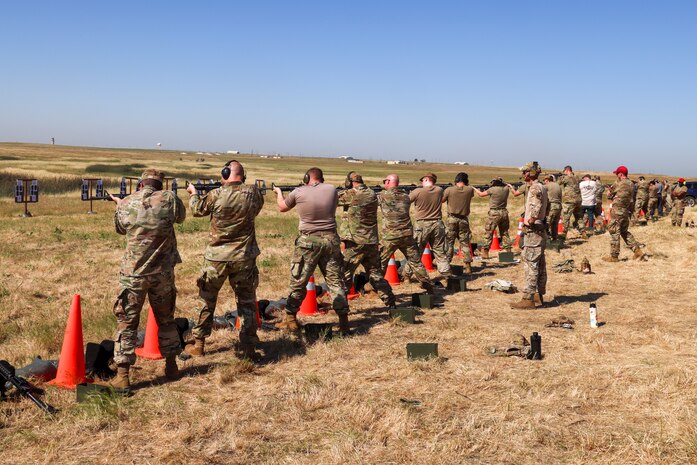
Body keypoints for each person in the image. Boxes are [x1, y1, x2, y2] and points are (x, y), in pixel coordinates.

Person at [108, 169, 186, 391]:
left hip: (134, 274)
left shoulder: (127, 203)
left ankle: (123, 375)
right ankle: (171, 365)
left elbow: (120, 229)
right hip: (162, 273)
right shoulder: (169, 199)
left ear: (140, 184)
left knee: (127, 322)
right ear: (160, 185)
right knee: (166, 319)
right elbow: (180, 217)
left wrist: (120, 204)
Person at [185, 160, 264, 359]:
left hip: (217, 259)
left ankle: (199, 344)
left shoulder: (216, 194)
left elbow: (197, 210)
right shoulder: (253, 192)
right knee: (246, 300)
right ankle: (248, 346)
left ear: (226, 172)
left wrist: (194, 193)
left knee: (206, 300)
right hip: (244, 257)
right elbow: (256, 207)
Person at [272, 167, 350, 334]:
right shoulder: (331, 190)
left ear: (307, 177)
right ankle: (344, 322)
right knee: (336, 282)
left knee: (299, 280)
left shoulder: (298, 192)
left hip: (308, 241)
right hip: (331, 240)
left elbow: (282, 207)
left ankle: (291, 319)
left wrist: (278, 192)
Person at [338, 172, 396, 308]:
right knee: (376, 275)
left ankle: (341, 309)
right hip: (371, 241)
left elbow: (332, 200)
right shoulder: (371, 193)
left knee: (344, 275)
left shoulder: (352, 194)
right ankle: (391, 303)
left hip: (355, 242)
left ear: (351, 182)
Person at [377, 174, 434, 293]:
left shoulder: (383, 196)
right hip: (407, 234)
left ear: (388, 182)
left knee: (381, 263)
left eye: (385, 181)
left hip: (390, 235)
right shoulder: (406, 196)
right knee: (416, 262)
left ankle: (376, 287)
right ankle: (427, 284)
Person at [511, 162, 549, 309]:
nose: (523, 174)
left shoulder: (534, 188)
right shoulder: (542, 187)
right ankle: (539, 295)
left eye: (525, 172)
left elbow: (536, 205)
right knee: (540, 265)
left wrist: (531, 220)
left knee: (530, 264)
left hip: (533, 230)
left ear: (531, 173)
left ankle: (528, 298)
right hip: (540, 228)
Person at [403, 173, 452, 278]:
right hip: (437, 224)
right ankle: (447, 274)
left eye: (422, 180)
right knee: (439, 251)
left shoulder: (417, 191)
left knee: (416, 251)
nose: (421, 182)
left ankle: (407, 275)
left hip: (422, 224)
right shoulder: (439, 190)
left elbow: (406, 201)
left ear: (426, 179)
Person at [602, 166, 645, 262]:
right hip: (625, 210)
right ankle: (637, 251)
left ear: (621, 174)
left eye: (617, 174)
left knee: (614, 231)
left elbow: (610, 195)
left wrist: (609, 191)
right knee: (624, 231)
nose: (616, 176)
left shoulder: (619, 183)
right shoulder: (631, 184)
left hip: (617, 210)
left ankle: (614, 256)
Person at [442, 172, 475, 273]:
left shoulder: (449, 190)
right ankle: (468, 265)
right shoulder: (470, 189)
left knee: (449, 242)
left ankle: (447, 263)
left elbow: (442, 200)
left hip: (451, 219)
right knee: (464, 243)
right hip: (464, 219)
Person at [473, 177, 513, 258]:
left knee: (489, 232)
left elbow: (481, 194)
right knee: (504, 233)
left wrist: (475, 189)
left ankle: (485, 253)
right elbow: (507, 186)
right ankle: (508, 254)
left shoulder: (492, 189)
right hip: (504, 212)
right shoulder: (506, 189)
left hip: (494, 213)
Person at [558, 165, 582, 238]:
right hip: (578, 200)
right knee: (579, 217)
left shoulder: (567, 178)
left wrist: (560, 177)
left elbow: (558, 183)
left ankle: (564, 233)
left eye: (565, 171)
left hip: (569, 201)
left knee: (566, 217)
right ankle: (583, 230)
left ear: (567, 170)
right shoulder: (577, 177)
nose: (564, 173)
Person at [543, 175, 562, 240]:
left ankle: (546, 238)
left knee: (547, 222)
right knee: (555, 224)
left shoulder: (547, 186)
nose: (544, 182)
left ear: (547, 180)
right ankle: (554, 238)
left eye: (544, 181)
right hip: (559, 205)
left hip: (551, 206)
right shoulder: (558, 186)